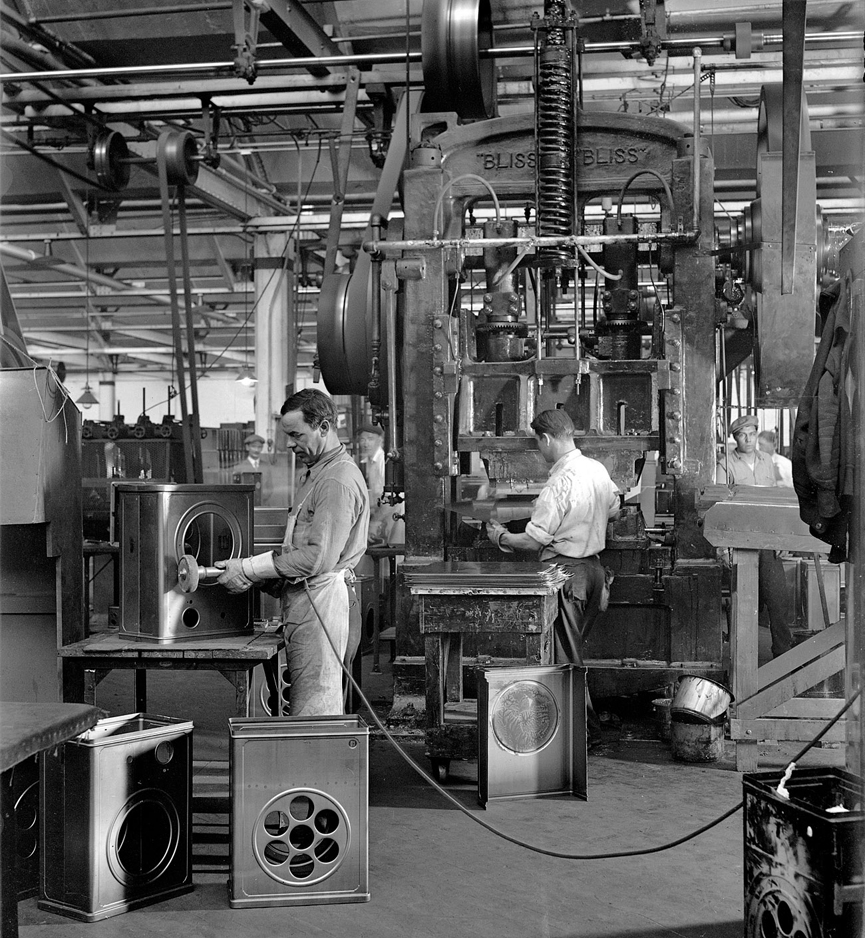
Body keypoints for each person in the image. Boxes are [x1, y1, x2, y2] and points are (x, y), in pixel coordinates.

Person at [216, 389, 370, 716]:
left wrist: (249, 568)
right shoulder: (315, 474)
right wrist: (264, 579)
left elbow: (317, 559)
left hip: (323, 606)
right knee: (305, 704)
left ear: (324, 427)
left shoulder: (336, 480)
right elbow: (301, 549)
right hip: (308, 600)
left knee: (316, 710)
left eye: (296, 434)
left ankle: (315, 767)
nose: (289, 444)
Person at [485, 408, 620, 746]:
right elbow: (615, 507)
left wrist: (500, 537)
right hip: (593, 574)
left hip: (566, 576)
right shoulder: (596, 469)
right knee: (571, 653)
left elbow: (532, 540)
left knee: (564, 659)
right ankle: (576, 731)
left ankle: (585, 735)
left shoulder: (559, 482)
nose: (540, 450)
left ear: (546, 439)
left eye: (538, 444)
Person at [716, 414, 792, 658]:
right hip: (740, 542)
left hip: (767, 540)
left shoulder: (767, 461)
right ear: (734, 438)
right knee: (743, 604)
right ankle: (741, 658)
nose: (747, 439)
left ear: (757, 434)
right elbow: (720, 506)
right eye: (741, 434)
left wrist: (782, 539)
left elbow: (775, 503)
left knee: (778, 600)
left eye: (751, 433)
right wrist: (723, 547)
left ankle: (782, 656)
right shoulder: (725, 463)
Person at [355, 421, 394, 544]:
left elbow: (390, 498)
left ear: (380, 440)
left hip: (393, 517)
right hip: (382, 515)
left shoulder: (384, 462)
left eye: (370, 439)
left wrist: (375, 522)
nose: (366, 444)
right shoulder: (368, 462)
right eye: (362, 439)